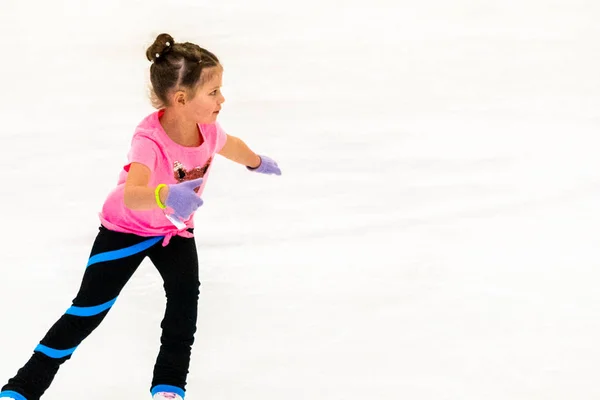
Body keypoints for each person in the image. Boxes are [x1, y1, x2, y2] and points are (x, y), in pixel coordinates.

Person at [0, 33, 281, 400]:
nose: (222, 99)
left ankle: (168, 386)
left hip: (173, 233)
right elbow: (132, 195)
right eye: (213, 92)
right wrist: (166, 194)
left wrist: (256, 162)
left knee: (184, 303)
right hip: (125, 229)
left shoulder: (209, 131)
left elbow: (232, 145)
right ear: (181, 99)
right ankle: (22, 388)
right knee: (88, 310)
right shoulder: (149, 139)